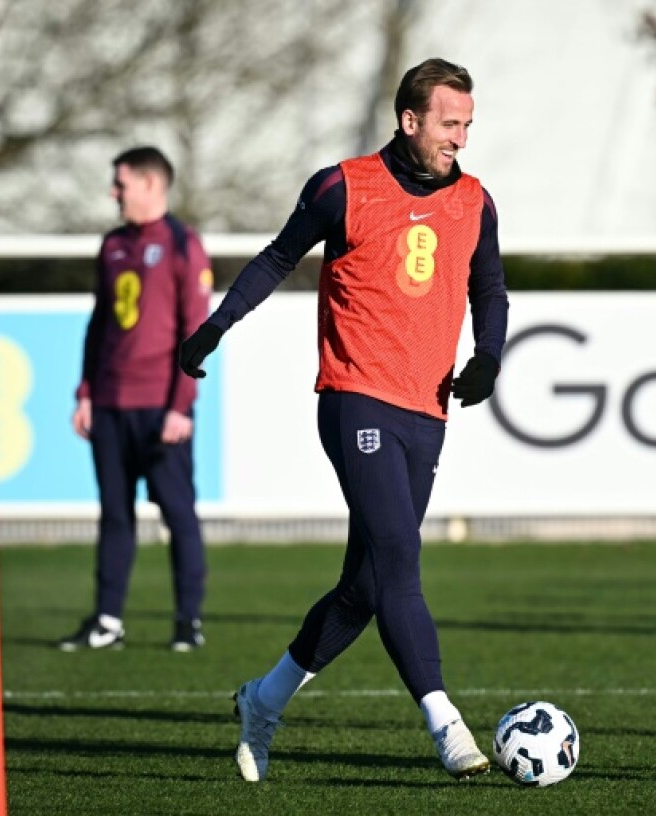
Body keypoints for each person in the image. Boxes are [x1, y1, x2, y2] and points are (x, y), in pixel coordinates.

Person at [179, 57, 508, 781]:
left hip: (427, 410)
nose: (461, 137)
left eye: (468, 125)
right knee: (399, 556)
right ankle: (444, 722)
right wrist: (215, 327)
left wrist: (488, 357)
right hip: (356, 397)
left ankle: (262, 701)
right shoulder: (344, 186)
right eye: (450, 123)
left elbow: (490, 288)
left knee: (365, 587)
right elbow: (276, 258)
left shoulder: (476, 200)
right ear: (410, 119)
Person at [60, 146, 213, 653]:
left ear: (151, 185)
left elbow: (196, 330)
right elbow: (98, 324)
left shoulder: (181, 243)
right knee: (114, 513)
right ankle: (107, 622)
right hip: (109, 404)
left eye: (120, 184)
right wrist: (86, 392)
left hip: (160, 405)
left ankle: (187, 621)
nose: (113, 192)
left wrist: (179, 404)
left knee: (177, 512)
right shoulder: (111, 244)